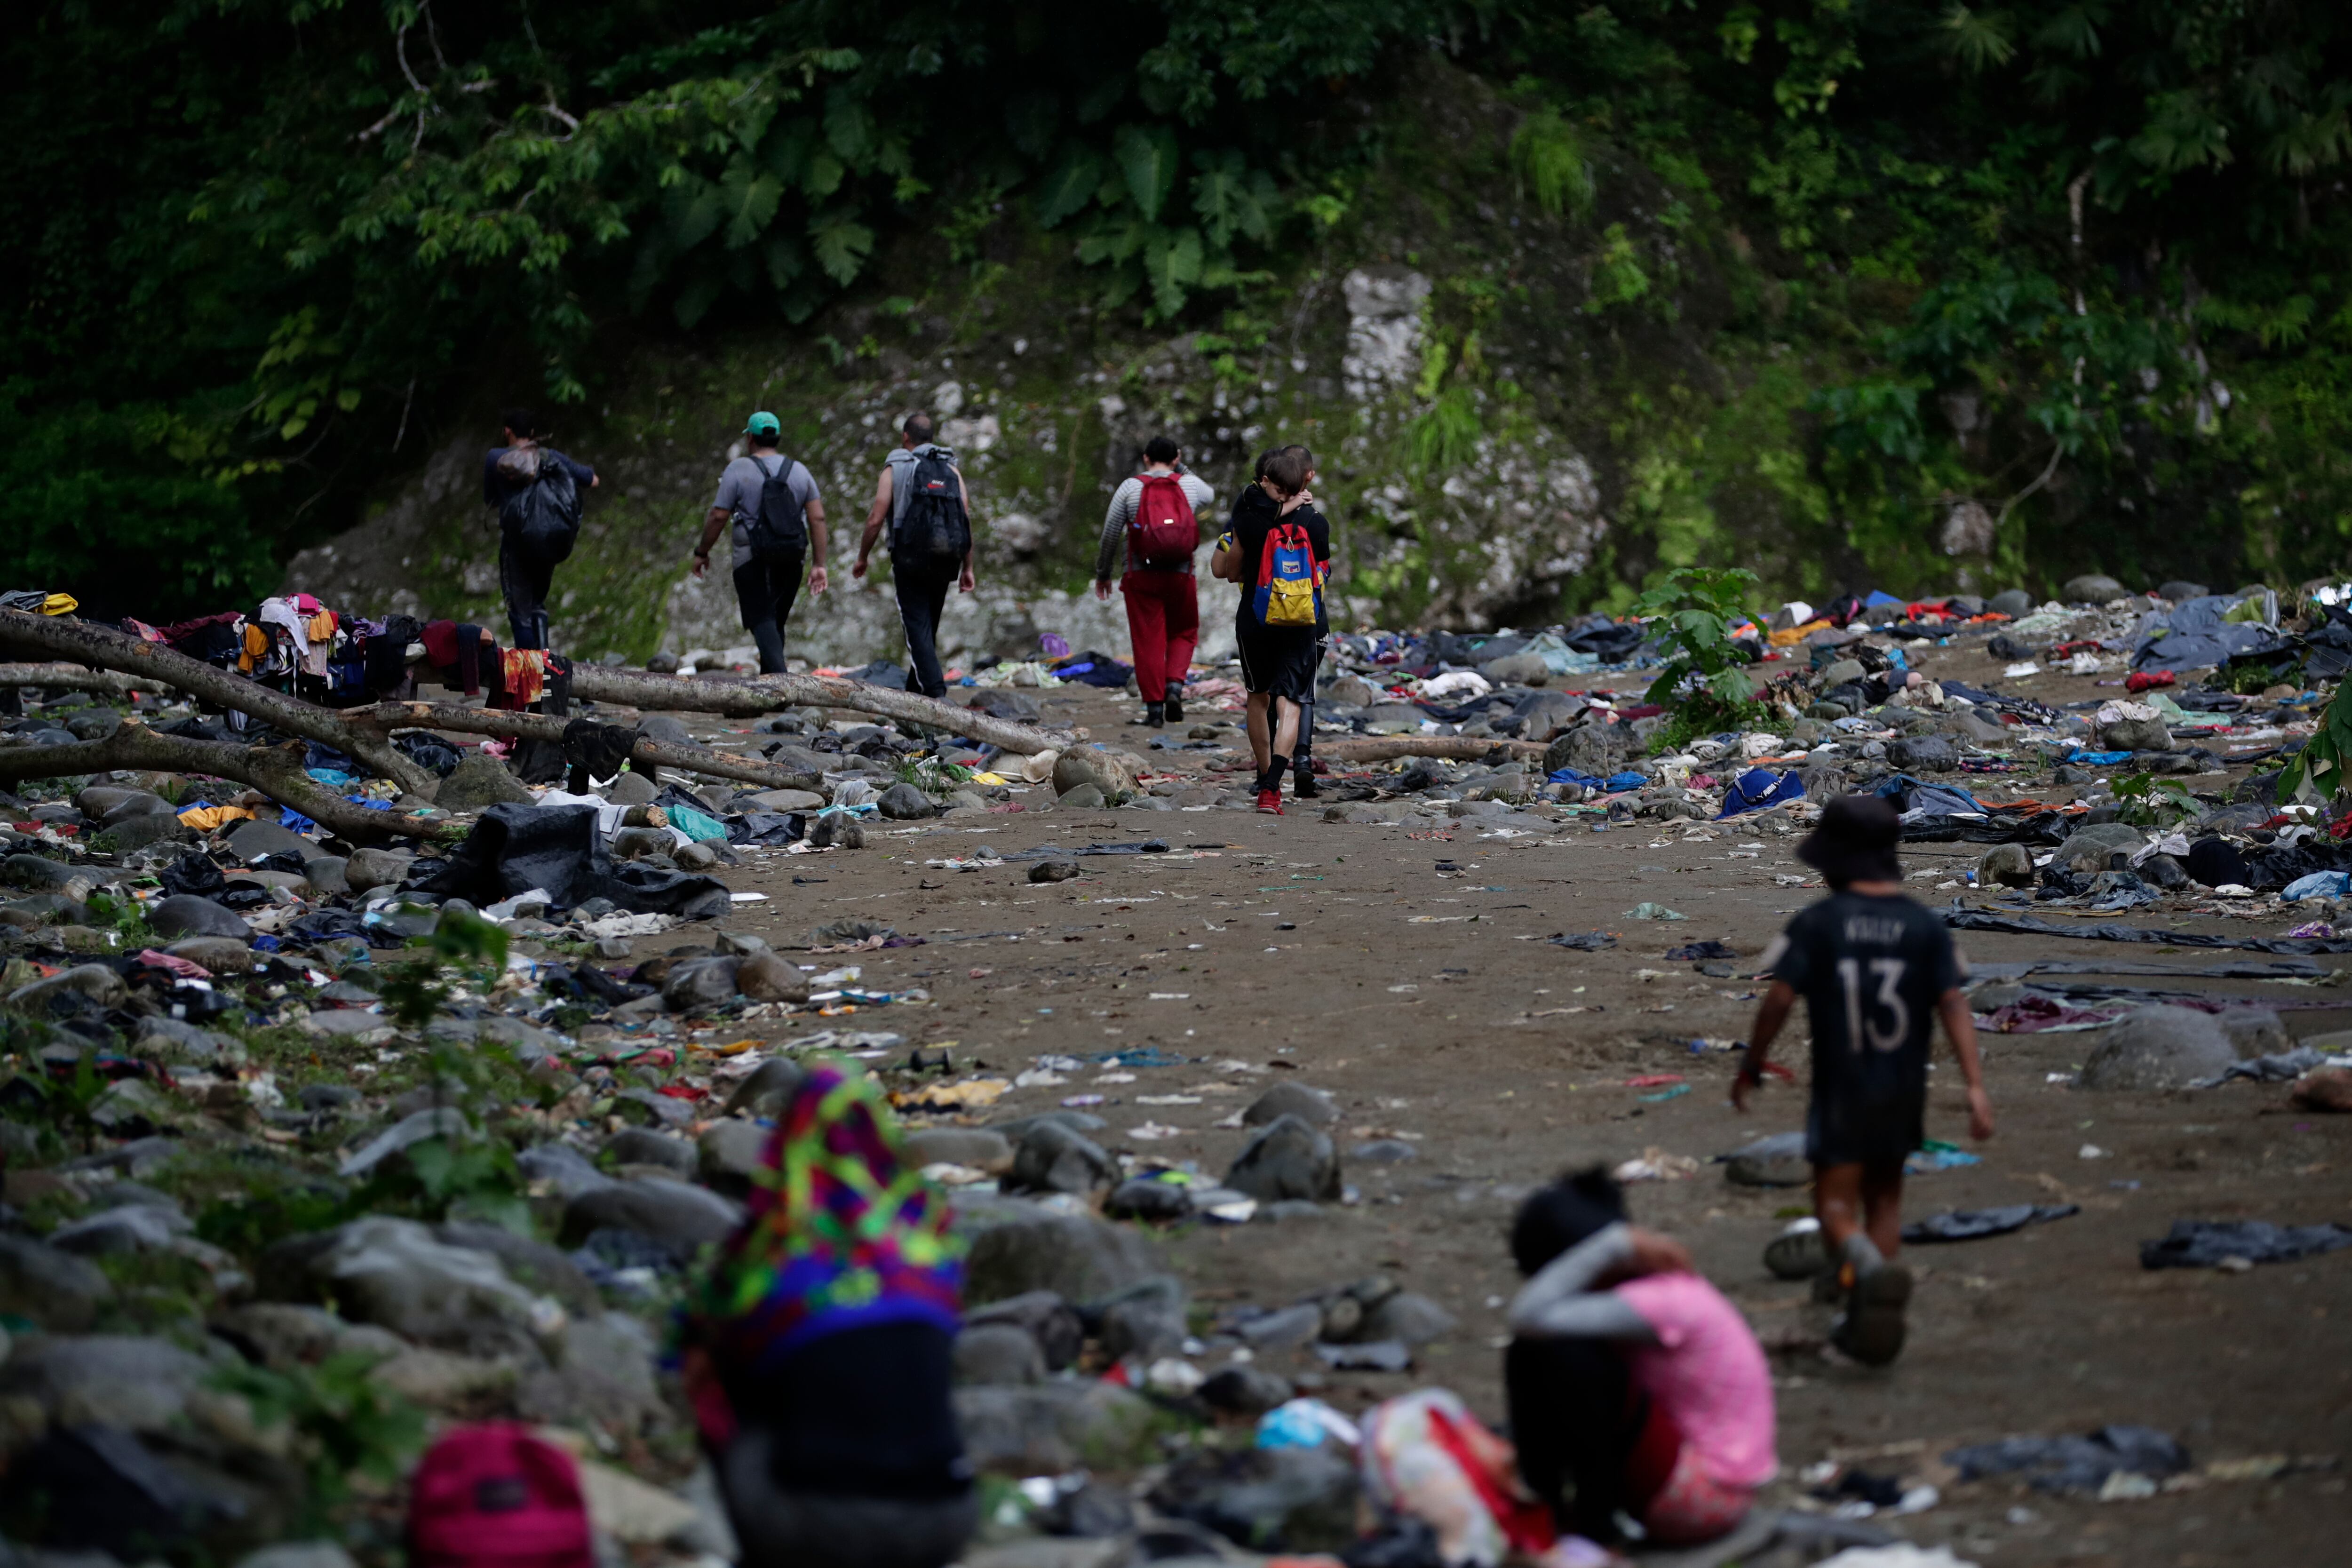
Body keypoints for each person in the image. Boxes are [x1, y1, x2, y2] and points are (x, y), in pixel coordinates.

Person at [1732, 792, 1995, 1366]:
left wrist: (1752, 1063)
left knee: (1833, 1208)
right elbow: (1952, 1003)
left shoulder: (1818, 923)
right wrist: (1974, 1087)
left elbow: (1777, 998)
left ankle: (1867, 1277)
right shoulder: (1924, 926)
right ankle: (1865, 1296)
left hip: (1842, 1088)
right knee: (1884, 1203)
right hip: (1902, 1088)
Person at [679, 1063, 975, 1568]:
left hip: (818, 1527)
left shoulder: (772, 1259)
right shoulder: (926, 1257)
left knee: (728, 1380)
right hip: (946, 1521)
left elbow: (704, 1360)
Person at [1505, 1169, 1775, 1567]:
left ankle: (1593, 1530)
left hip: (1707, 1497)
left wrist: (1614, 1244)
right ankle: (1550, 1511)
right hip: (1699, 1484)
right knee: (1541, 1349)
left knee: (1558, 1351)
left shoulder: (1656, 1300)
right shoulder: (1647, 1292)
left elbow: (1527, 1316)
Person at [1209, 445, 1330, 813]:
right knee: (1291, 703)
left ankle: (1267, 782)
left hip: (1255, 621)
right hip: (1301, 622)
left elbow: (1229, 573)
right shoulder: (1316, 522)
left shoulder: (1247, 522)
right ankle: (1276, 783)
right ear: (1303, 482)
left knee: (1258, 700)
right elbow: (1321, 575)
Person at [1094, 435, 1215, 727]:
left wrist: (1103, 573)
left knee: (1148, 640)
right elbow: (1209, 494)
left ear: (1146, 459)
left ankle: (1154, 710)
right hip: (1181, 574)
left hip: (1141, 576)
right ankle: (1174, 686)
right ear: (1176, 458)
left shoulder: (1131, 488)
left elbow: (1110, 534)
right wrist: (1181, 467)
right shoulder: (1189, 485)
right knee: (1184, 632)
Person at [695, 412, 829, 674]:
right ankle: (772, 688)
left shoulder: (738, 469)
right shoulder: (800, 471)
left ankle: (781, 682)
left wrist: (702, 552)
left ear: (750, 438)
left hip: (751, 558)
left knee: (761, 617)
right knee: (775, 620)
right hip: (793, 556)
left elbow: (719, 515)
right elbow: (818, 518)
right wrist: (819, 564)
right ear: (777, 438)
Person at [854, 413, 973, 700]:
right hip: (947, 557)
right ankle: (915, 691)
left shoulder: (896, 467)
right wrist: (968, 567)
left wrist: (863, 557)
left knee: (917, 627)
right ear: (932, 437)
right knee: (928, 625)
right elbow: (965, 519)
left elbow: (875, 518)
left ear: (906, 437)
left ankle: (936, 692)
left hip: (910, 559)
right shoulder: (951, 469)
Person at [482, 408, 597, 651]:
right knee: (537, 604)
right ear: (533, 433)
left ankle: (530, 676)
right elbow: (592, 480)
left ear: (507, 431)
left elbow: (490, 498)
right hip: (547, 543)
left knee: (520, 614)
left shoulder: (496, 458)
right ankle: (544, 671)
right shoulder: (548, 455)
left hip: (516, 546)